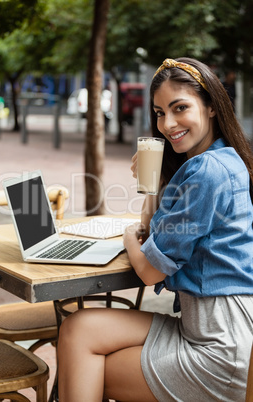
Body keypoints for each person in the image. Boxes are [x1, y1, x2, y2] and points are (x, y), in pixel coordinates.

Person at [57, 57, 253, 401]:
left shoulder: (208, 171)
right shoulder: (222, 159)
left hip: (222, 347)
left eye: (180, 108)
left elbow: (149, 270)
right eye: (160, 112)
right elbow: (156, 233)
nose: (167, 123)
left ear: (210, 107)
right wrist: (154, 183)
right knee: (78, 328)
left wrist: (129, 237)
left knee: (85, 368)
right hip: (211, 327)